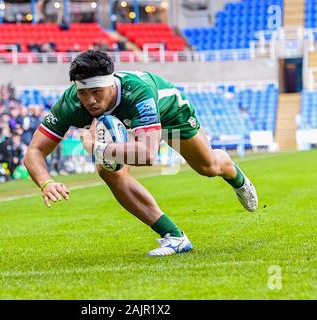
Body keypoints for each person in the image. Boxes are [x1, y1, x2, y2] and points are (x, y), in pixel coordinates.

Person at [24, 50, 258, 257]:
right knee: (109, 172)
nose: (90, 100)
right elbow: (34, 150)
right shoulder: (71, 102)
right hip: (124, 125)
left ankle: (231, 170)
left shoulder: (137, 92)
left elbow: (147, 155)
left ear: (110, 84)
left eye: (96, 92)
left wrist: (97, 148)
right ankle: (175, 237)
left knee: (208, 168)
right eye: (83, 93)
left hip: (169, 114)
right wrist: (46, 182)